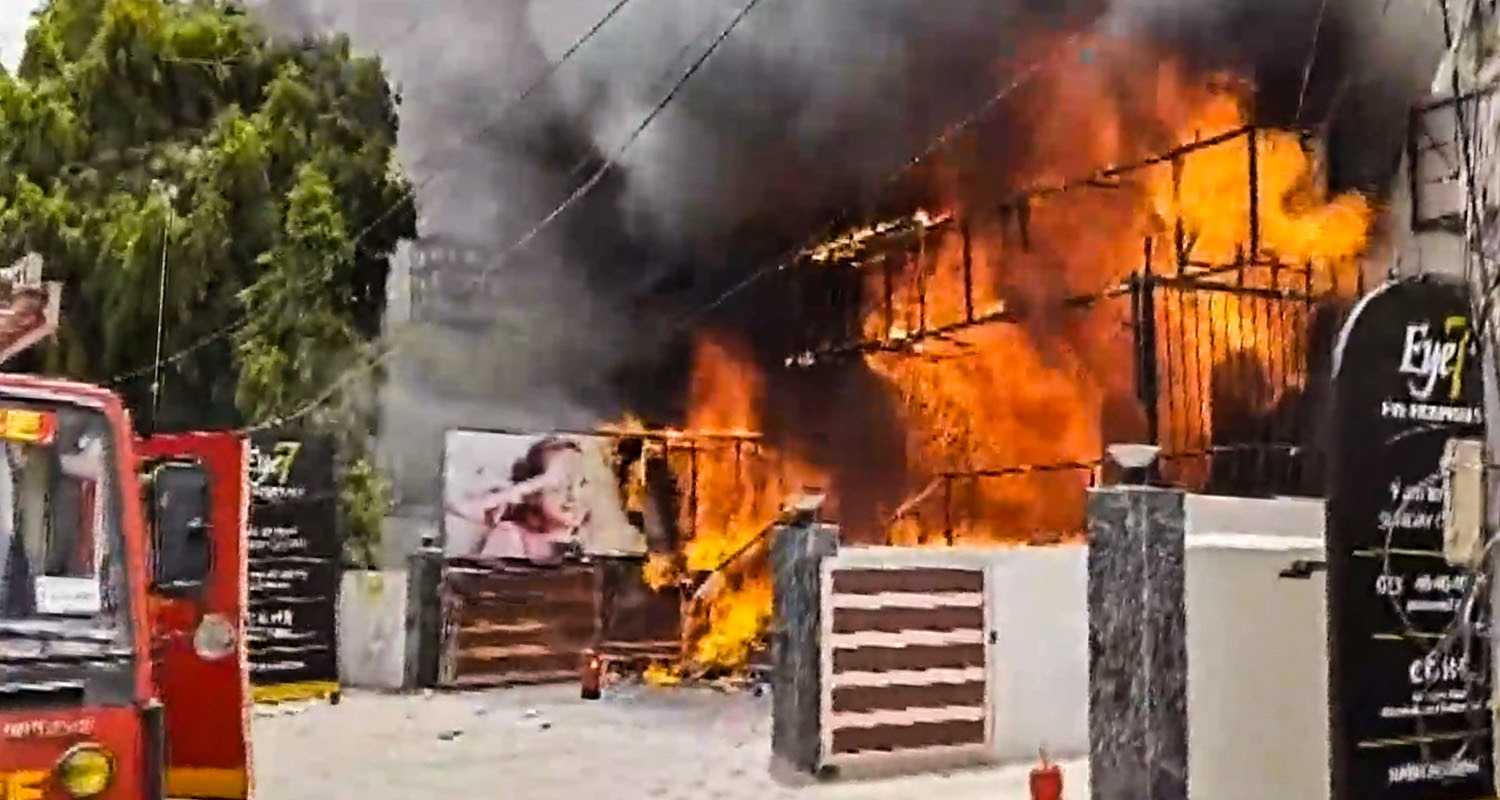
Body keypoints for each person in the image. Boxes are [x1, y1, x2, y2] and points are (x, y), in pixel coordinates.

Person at [446, 437, 589, 565]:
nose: (574, 496)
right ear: (533, 492)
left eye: (582, 484)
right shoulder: (511, 535)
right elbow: (460, 508)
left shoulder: (588, 541)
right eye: (558, 486)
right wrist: (532, 485)